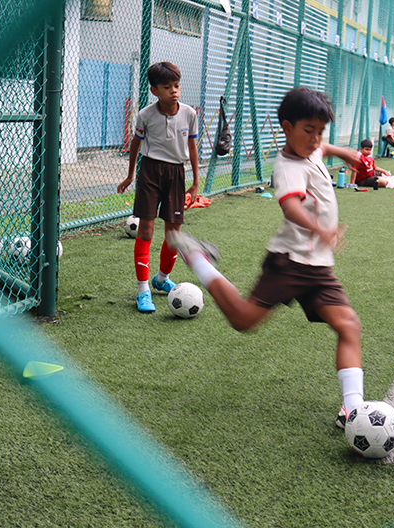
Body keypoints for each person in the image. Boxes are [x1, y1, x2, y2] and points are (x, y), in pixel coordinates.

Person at [166, 87, 366, 428]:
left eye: (321, 132)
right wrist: (319, 229)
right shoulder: (288, 167)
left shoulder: (312, 149)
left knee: (349, 326)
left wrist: (344, 152)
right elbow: (290, 207)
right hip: (288, 263)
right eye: (309, 131)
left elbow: (322, 149)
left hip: (319, 268)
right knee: (243, 320)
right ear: (287, 128)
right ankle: (198, 258)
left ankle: (354, 410)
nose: (316, 139)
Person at [116, 62, 200, 314]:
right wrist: (131, 175)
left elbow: (192, 147)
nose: (174, 91)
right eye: (167, 87)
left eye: (176, 85)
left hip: (176, 174)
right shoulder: (145, 115)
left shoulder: (190, 114)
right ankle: (143, 290)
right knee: (146, 229)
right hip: (150, 172)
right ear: (154, 90)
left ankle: (162, 279)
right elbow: (135, 144)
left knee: (174, 234)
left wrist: (195, 182)